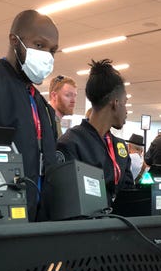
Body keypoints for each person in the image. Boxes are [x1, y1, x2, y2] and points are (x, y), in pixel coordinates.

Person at [0, 9, 59, 221]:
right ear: (14, 40)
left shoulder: (41, 104)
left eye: (53, 50)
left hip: (39, 221)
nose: (47, 55)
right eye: (39, 45)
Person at [56, 59, 134, 206]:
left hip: (119, 226)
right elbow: (67, 202)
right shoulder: (71, 144)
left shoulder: (120, 147)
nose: (126, 111)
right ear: (115, 103)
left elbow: (128, 195)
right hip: (88, 227)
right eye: (125, 103)